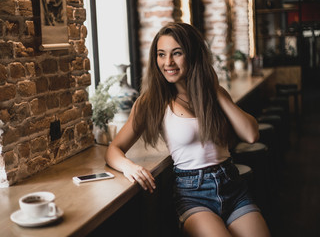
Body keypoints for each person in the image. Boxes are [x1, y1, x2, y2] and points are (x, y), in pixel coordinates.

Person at [105, 22, 271, 237]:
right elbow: (114, 149)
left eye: (177, 53)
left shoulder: (214, 93)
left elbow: (251, 134)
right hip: (193, 195)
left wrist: (213, 88)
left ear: (192, 55)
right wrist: (129, 167)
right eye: (161, 54)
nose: (168, 62)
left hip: (232, 186)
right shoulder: (152, 101)